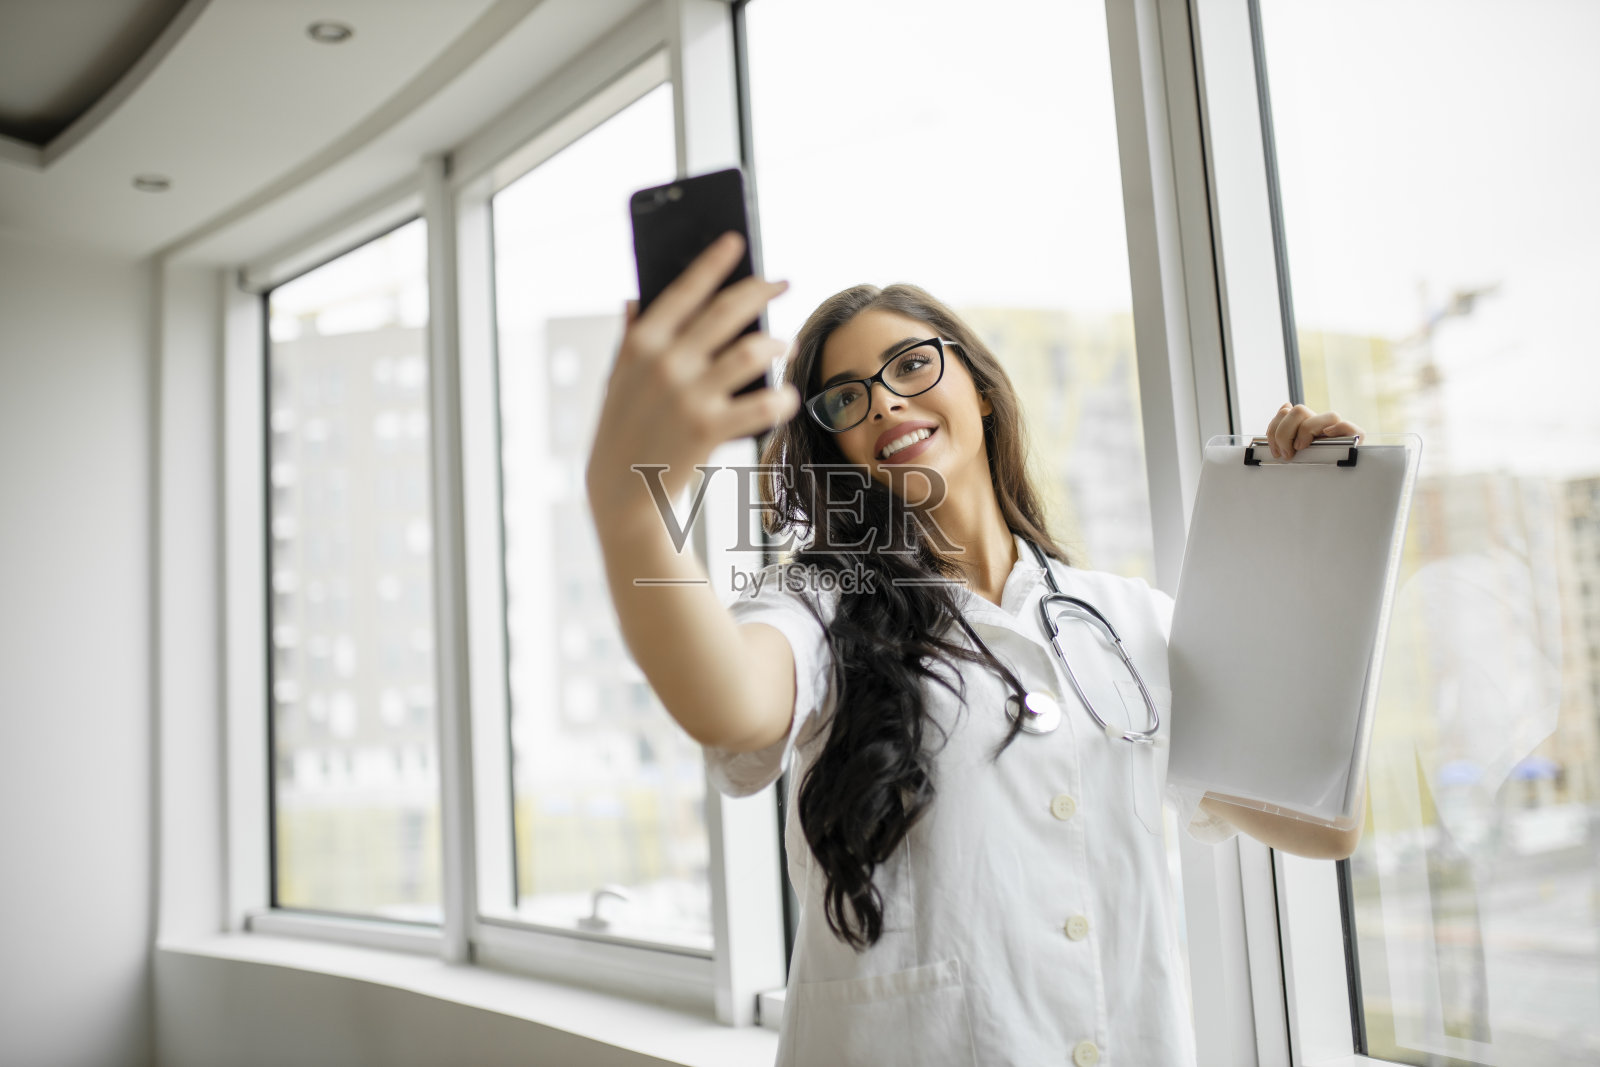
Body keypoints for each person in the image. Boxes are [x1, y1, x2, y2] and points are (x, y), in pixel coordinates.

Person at [585, 232, 1366, 1067]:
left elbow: (1323, 822)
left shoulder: (1129, 619)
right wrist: (632, 512)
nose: (883, 402)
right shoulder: (819, 602)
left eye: (909, 366)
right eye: (845, 399)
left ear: (981, 388)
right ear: (835, 448)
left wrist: (1304, 535)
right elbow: (729, 699)